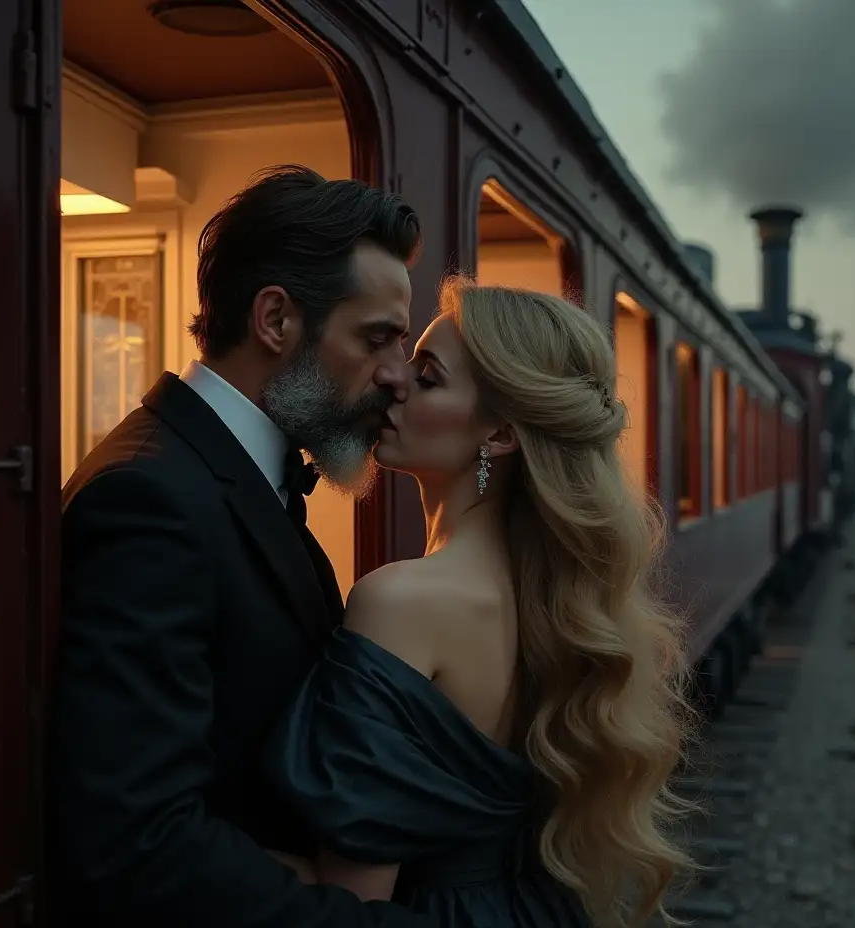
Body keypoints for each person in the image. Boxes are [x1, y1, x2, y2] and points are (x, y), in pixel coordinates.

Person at [48, 164, 431, 928]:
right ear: (277, 320)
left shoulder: (215, 473)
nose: (398, 375)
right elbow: (140, 841)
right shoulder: (148, 500)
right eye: (379, 338)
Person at [261, 277, 696, 928]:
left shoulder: (403, 601)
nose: (393, 381)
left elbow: (348, 903)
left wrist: (178, 846)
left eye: (428, 375)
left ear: (498, 436)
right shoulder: (560, 603)